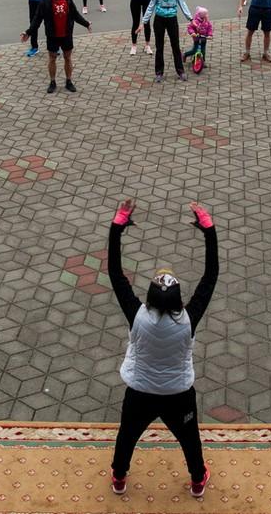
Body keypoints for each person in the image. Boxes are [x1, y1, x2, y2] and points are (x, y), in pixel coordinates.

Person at [107, 198, 218, 499]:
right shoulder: (189, 320)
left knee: (127, 435)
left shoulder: (137, 315)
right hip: (177, 394)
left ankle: (119, 477)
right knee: (189, 439)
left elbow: (116, 274)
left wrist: (117, 227)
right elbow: (210, 278)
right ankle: (197, 480)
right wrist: (209, 231)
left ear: (150, 298)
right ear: (179, 299)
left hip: (140, 391)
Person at [21, 0, 92, 94]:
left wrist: (86, 24)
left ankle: (68, 81)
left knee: (67, 57)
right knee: (52, 58)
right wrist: (28, 32)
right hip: (52, 36)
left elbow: (75, 14)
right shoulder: (45, 2)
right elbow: (37, 19)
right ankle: (52, 82)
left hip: (66, 34)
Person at [141, 0, 193, 82]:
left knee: (175, 46)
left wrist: (190, 18)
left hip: (172, 19)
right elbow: (151, 6)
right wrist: (143, 22)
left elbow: (182, 2)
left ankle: (180, 71)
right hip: (159, 20)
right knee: (159, 47)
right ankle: (159, 73)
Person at [183, 7, 213, 72]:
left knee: (203, 51)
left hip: (204, 38)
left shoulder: (207, 21)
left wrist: (210, 35)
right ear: (201, 15)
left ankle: (203, 61)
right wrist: (192, 33)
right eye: (205, 14)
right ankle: (185, 54)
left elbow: (210, 28)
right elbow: (190, 27)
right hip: (197, 38)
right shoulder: (195, 21)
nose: (207, 15)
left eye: (206, 14)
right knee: (194, 50)